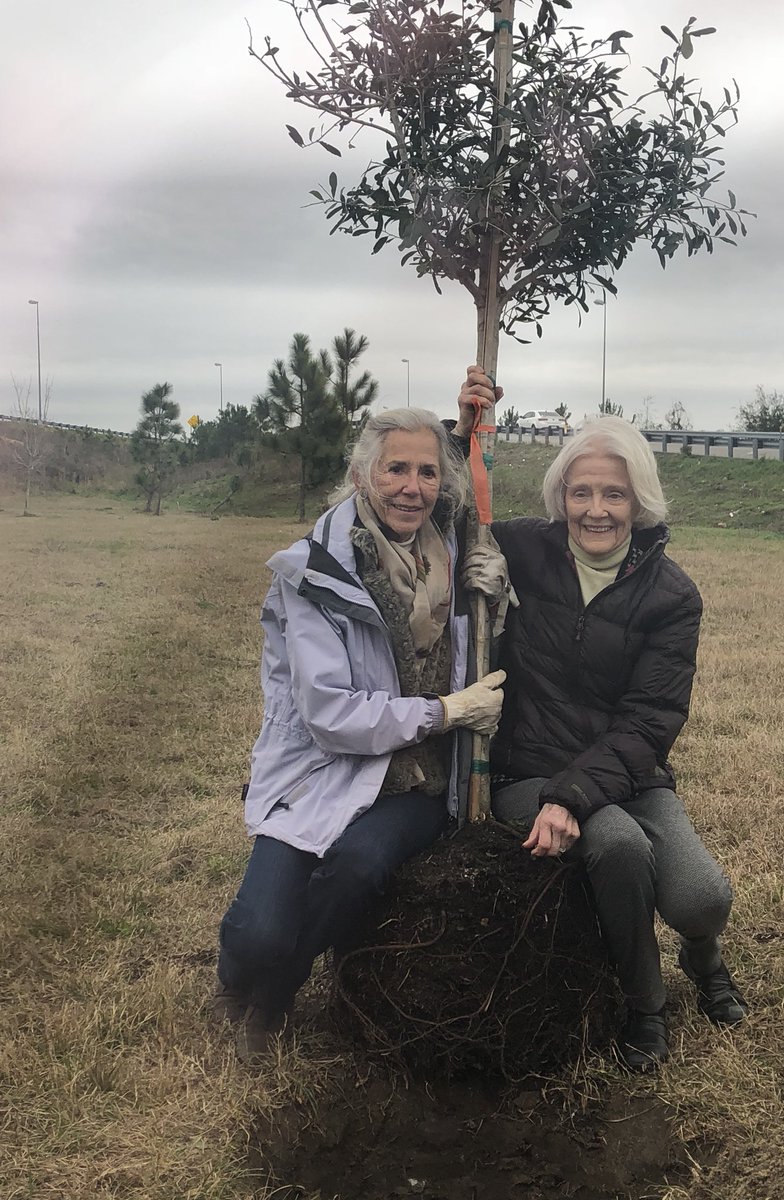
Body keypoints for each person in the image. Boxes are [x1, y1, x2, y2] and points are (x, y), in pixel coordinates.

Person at [458, 366, 747, 1072]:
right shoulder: (525, 548)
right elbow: (450, 508)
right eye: (581, 492)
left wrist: (576, 794)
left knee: (703, 898)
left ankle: (703, 958)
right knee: (615, 847)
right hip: (528, 768)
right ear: (561, 496)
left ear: (638, 501)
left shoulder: (672, 596)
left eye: (613, 494)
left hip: (631, 772)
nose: (596, 509)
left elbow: (650, 721)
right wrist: (465, 429)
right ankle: (644, 1007)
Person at [214, 406, 505, 1062]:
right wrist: (445, 713)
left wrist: (496, 591)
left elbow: (474, 509)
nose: (412, 486)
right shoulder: (316, 573)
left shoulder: (450, 548)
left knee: (358, 864)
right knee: (257, 933)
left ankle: (276, 994)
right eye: (395, 468)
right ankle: (239, 974)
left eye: (427, 472)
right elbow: (332, 716)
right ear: (360, 474)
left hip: (418, 777)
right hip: (322, 769)